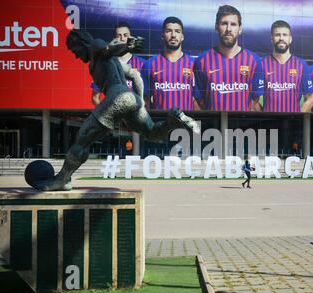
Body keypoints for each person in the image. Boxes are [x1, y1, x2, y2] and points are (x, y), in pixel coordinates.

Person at [32, 29, 199, 191]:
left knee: (82, 138)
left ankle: (63, 179)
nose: (75, 55)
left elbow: (107, 48)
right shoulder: (114, 61)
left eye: (74, 50)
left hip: (117, 97)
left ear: (82, 43)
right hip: (131, 98)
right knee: (152, 133)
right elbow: (135, 75)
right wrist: (139, 99)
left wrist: (127, 47)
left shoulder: (94, 47)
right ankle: (172, 120)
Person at [193, 5, 264, 112]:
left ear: (240, 29)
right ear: (217, 27)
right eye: (224, 23)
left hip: (242, 127)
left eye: (233, 24)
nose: (228, 29)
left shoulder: (254, 60)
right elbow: (200, 99)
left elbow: (255, 98)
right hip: (213, 127)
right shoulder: (202, 61)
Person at [142, 17, 199, 111]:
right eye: (169, 31)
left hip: (187, 123)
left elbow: (197, 100)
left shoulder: (194, 64)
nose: (173, 35)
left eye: (177, 31)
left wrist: (197, 124)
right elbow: (145, 100)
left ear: (182, 37)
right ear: (162, 35)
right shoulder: (149, 65)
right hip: (160, 123)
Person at [262, 20, 313, 113]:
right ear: (271, 38)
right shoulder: (262, 64)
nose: (281, 38)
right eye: (277, 35)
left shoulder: (301, 65)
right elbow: (253, 98)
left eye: (285, 35)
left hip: (293, 123)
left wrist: (297, 116)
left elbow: (310, 98)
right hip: (269, 123)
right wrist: (264, 115)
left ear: (290, 39)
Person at [91, 22, 146, 106]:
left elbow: (147, 97)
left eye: (125, 35)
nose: (122, 38)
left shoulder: (142, 63)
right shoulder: (106, 63)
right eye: (119, 35)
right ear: (114, 39)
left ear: (131, 37)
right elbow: (95, 97)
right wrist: (107, 115)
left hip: (135, 115)